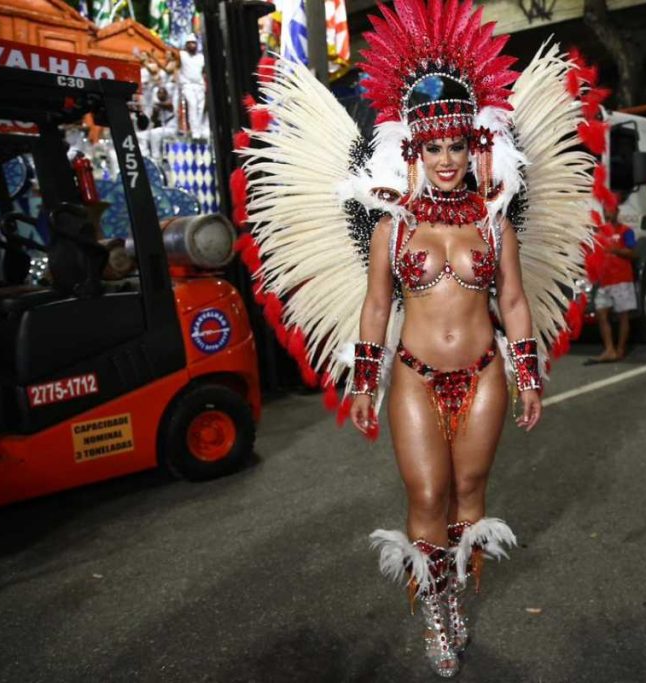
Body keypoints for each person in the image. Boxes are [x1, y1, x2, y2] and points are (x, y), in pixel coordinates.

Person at [240, 0, 592, 676]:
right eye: (433, 147)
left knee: (469, 493)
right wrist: (364, 381)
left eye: (458, 144)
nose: (448, 159)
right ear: (414, 151)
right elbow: (376, 306)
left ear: (472, 144)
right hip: (413, 373)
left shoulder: (496, 226)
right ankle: (437, 611)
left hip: (486, 371)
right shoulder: (390, 228)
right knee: (426, 496)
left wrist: (527, 374)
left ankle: (453, 590)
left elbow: (513, 299)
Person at [587, 209, 637, 362]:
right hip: (604, 280)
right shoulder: (600, 232)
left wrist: (615, 250)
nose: (608, 215)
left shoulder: (626, 231)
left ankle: (620, 350)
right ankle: (609, 349)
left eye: (611, 212)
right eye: (606, 212)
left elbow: (633, 253)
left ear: (617, 212)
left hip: (621, 279)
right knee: (601, 313)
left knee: (623, 316)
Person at [169, 36, 208, 139]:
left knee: (200, 108)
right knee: (192, 105)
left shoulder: (201, 57)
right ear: (186, 45)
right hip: (187, 85)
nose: (192, 45)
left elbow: (204, 71)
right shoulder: (182, 55)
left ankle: (198, 130)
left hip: (199, 85)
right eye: (189, 43)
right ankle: (195, 132)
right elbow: (173, 52)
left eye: (194, 43)